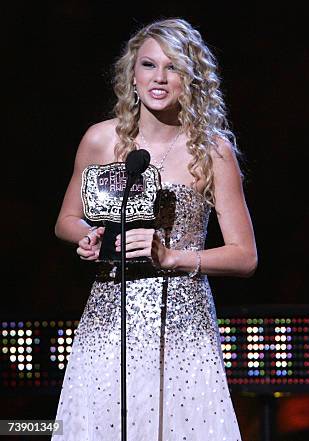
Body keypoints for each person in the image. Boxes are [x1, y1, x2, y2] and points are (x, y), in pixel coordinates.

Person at [52, 18, 257, 440]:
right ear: (132, 73)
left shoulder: (212, 152)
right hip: (110, 319)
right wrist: (88, 236)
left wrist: (173, 257)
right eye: (148, 65)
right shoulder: (100, 140)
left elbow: (244, 255)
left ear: (192, 79)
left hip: (183, 325)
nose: (159, 78)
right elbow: (66, 221)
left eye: (174, 67)